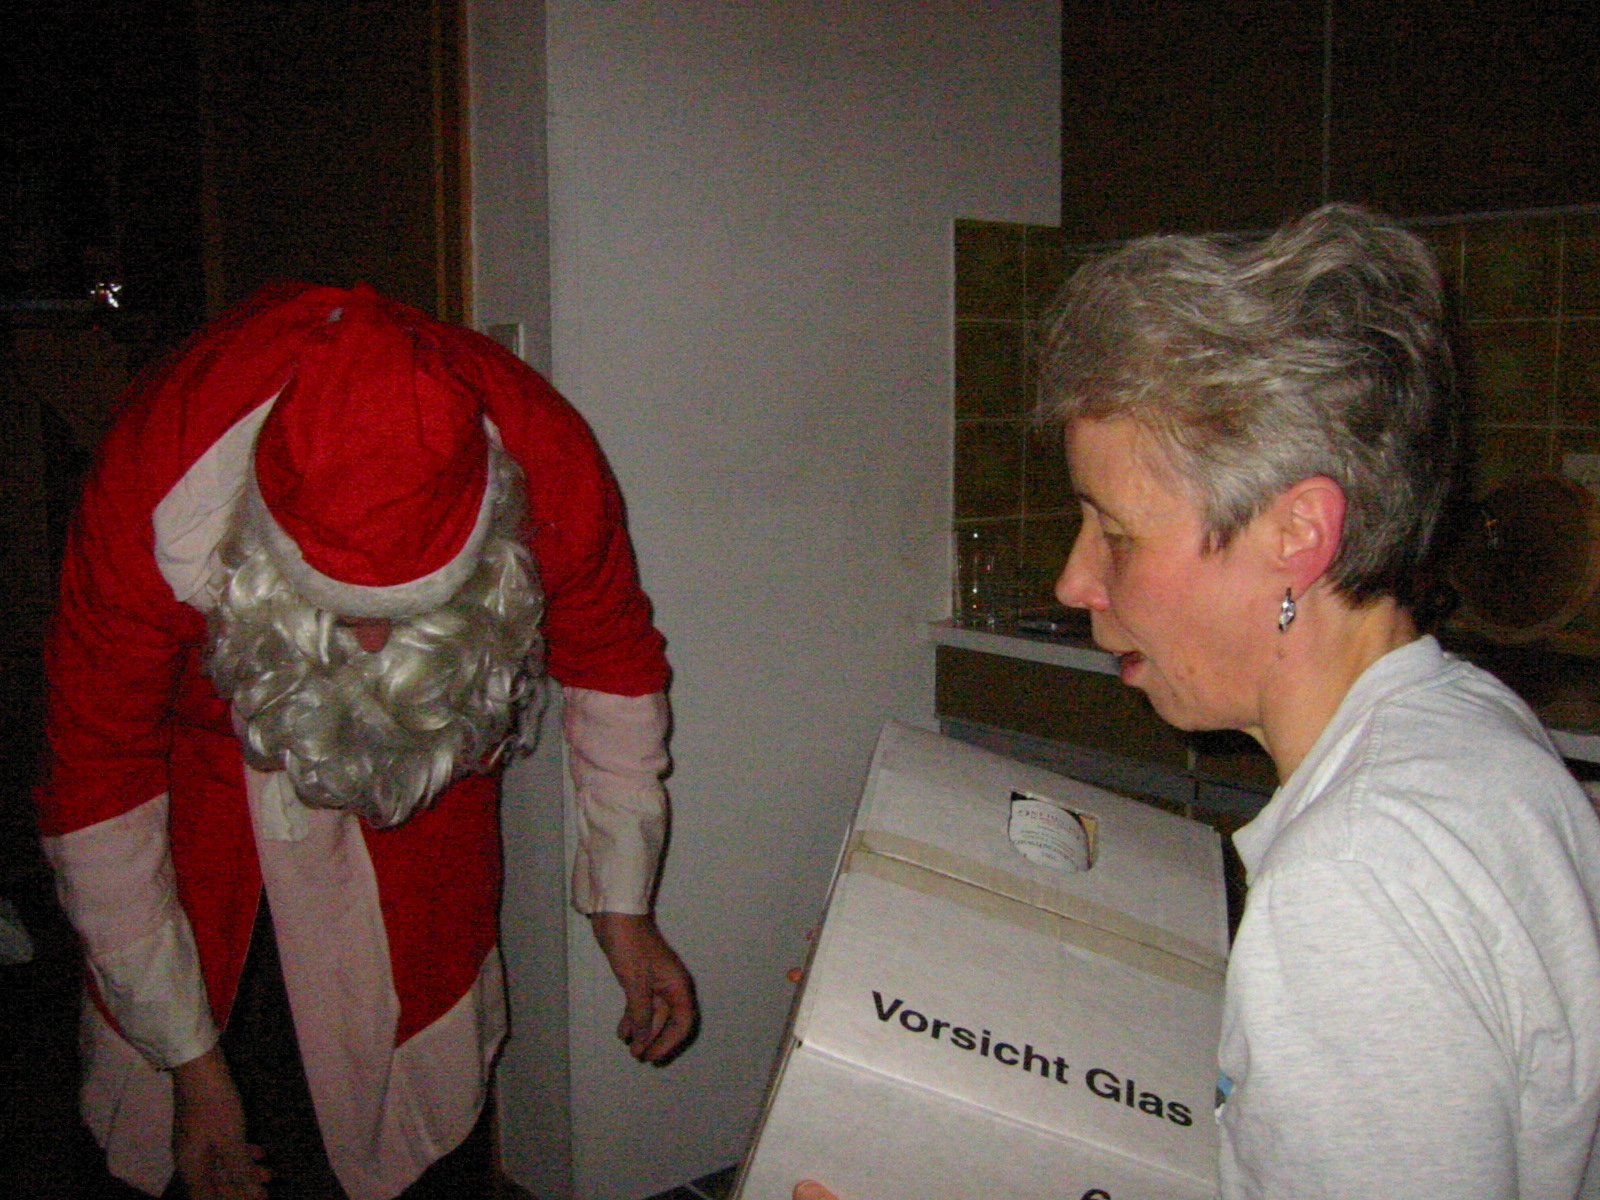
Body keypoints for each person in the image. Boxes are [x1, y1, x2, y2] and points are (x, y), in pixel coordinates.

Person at [797, 205, 1600, 1198]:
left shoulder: (1353, 881)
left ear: (1296, 533)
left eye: (1115, 533)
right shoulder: (1466, 721)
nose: (1073, 581)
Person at [35, 282, 697, 1200]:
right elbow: (96, 776)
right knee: (206, 1102)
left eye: (413, 610)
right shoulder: (155, 472)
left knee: (418, 1075)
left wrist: (625, 907)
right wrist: (187, 1063)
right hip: (204, 779)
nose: (378, 645)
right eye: (346, 615)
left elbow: (614, 664)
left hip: (427, 780)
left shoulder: (548, 459)